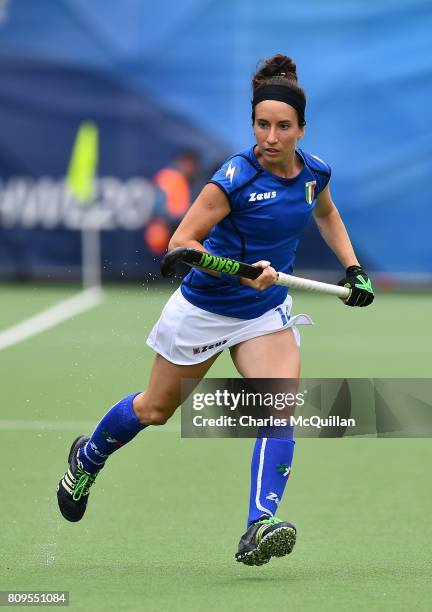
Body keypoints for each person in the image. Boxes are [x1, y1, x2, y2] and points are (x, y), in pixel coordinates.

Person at [57, 54, 374, 566]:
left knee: (280, 407)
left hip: (264, 314)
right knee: (154, 410)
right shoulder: (232, 179)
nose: (271, 137)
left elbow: (327, 213)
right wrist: (241, 269)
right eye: (262, 125)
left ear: (301, 129)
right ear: (253, 124)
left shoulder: (315, 174)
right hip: (205, 309)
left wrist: (353, 268)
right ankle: (87, 458)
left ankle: (259, 525)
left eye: (282, 127)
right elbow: (182, 244)